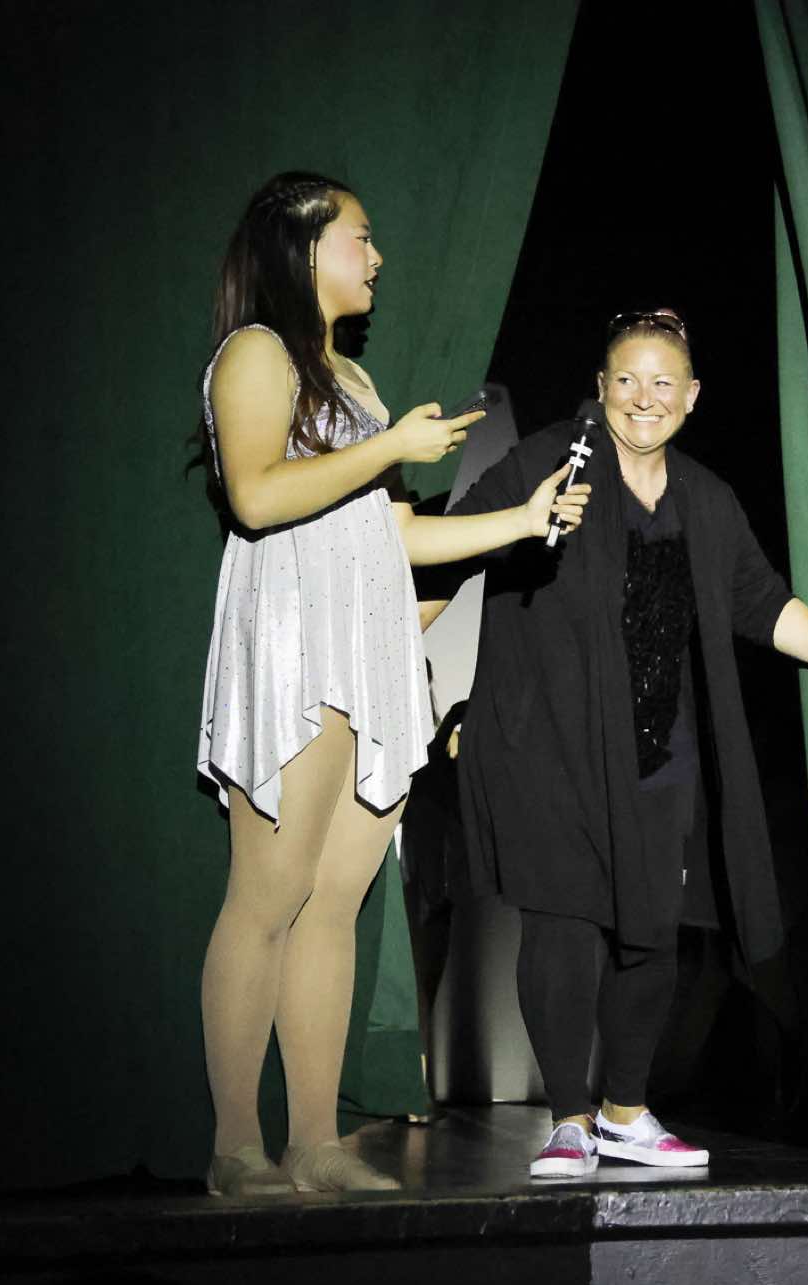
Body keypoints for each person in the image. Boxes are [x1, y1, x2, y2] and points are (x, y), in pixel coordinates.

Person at [453, 309, 808, 1178]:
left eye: (663, 383)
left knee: (651, 932)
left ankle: (625, 1111)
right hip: (550, 745)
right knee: (564, 921)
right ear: (600, 386)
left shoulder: (706, 499)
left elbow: (763, 604)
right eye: (626, 379)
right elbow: (455, 543)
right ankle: (569, 1119)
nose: (643, 398)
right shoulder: (548, 461)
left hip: (658, 751)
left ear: (692, 397)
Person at [193, 172, 591, 1195]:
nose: (375, 258)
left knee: (336, 904)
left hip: (368, 648)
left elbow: (393, 531)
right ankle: (236, 1146)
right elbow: (255, 495)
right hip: (297, 639)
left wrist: (521, 522)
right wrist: (393, 447)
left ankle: (315, 1141)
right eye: (359, 238)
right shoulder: (256, 354)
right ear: (302, 247)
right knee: (269, 895)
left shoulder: (354, 382)